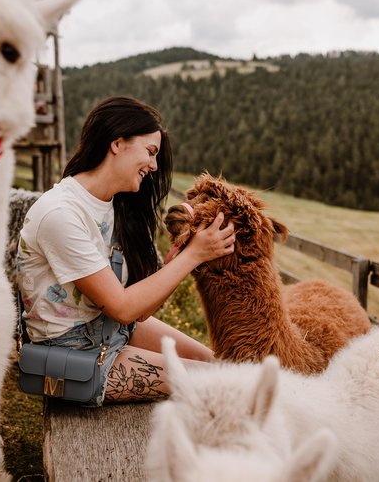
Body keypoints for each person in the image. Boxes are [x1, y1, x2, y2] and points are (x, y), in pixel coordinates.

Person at [16, 96, 234, 405]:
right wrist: (194, 255)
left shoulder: (115, 205)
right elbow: (123, 306)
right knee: (226, 383)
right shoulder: (60, 213)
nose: (155, 165)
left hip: (114, 329)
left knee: (221, 366)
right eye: (150, 152)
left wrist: (183, 251)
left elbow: (139, 310)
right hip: (73, 353)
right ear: (117, 143)